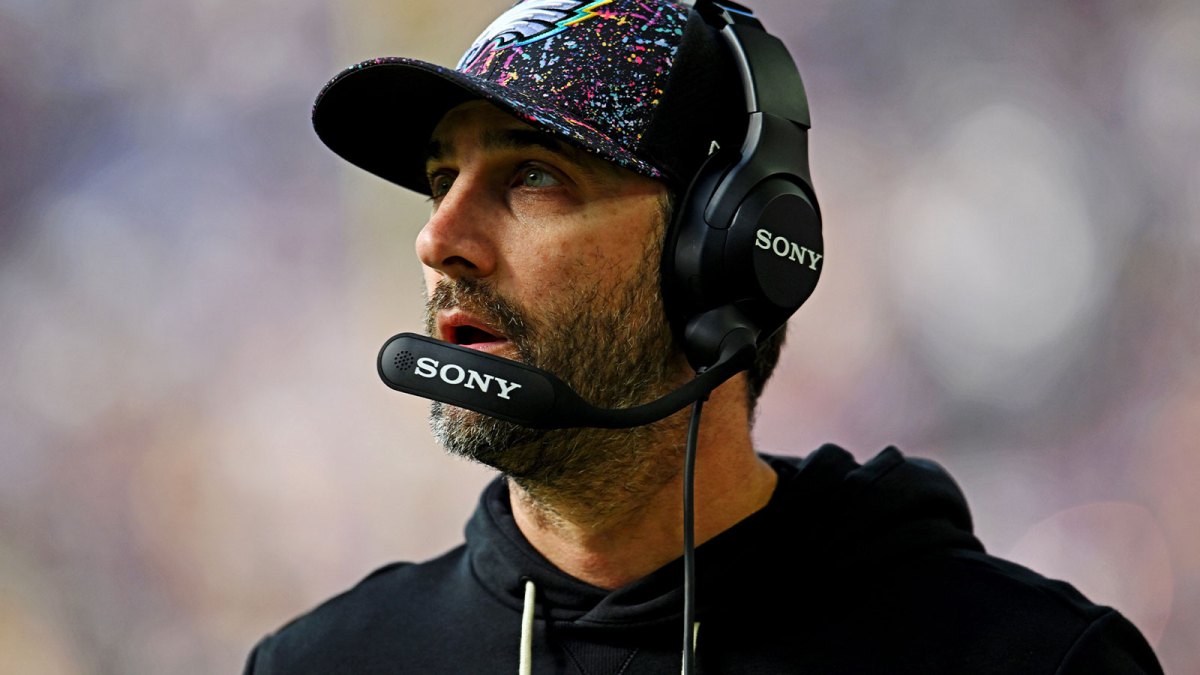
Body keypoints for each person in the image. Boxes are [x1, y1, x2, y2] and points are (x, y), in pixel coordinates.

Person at [245, 0, 1163, 672]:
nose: (437, 236)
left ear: (722, 252)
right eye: (441, 176)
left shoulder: (1032, 663)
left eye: (532, 173)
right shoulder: (320, 662)